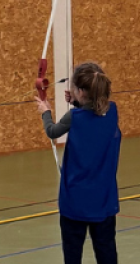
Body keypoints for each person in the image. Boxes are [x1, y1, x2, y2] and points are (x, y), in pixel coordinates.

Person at [37, 62, 121, 264]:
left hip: (75, 203)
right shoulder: (112, 112)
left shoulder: (74, 117)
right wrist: (78, 102)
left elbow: (52, 131)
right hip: (104, 201)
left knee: (73, 254)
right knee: (106, 252)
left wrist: (45, 111)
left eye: (74, 88)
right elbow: (92, 117)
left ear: (82, 92)